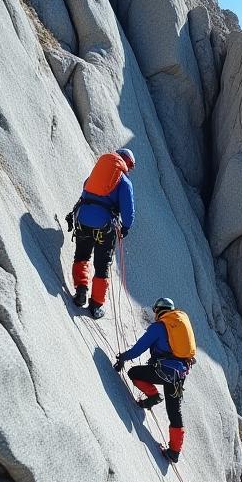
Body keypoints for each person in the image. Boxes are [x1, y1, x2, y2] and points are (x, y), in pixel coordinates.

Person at [113, 298, 196, 463]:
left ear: (159, 311)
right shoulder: (180, 323)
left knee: (134, 373)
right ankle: (174, 452)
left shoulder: (159, 327)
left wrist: (123, 357)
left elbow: (138, 349)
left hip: (162, 371)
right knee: (174, 410)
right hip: (179, 374)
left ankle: (152, 396)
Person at [67, 149, 136, 319]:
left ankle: (81, 290)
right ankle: (96, 305)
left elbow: (85, 189)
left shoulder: (97, 172)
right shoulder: (124, 181)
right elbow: (128, 211)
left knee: (82, 255)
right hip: (105, 226)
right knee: (102, 265)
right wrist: (125, 227)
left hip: (83, 219)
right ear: (127, 163)